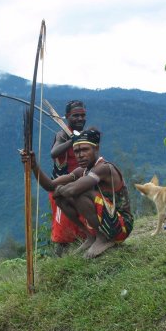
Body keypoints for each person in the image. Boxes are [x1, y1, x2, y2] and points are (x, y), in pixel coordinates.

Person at [23, 128, 134, 258]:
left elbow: (73, 190)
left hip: (121, 226)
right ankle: (91, 235)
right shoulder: (82, 170)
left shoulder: (104, 168)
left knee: (80, 192)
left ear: (96, 148)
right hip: (108, 222)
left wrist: (61, 189)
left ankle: (103, 238)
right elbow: (50, 185)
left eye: (85, 150)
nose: (80, 155)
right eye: (76, 151)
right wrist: (34, 165)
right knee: (60, 199)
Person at [47, 100, 88, 256]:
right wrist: (72, 141)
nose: (80, 119)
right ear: (67, 117)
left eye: (83, 115)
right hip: (61, 190)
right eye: (75, 115)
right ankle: (59, 263)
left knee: (84, 225)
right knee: (63, 230)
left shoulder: (83, 134)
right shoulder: (62, 134)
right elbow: (54, 153)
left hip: (81, 187)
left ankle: (81, 257)